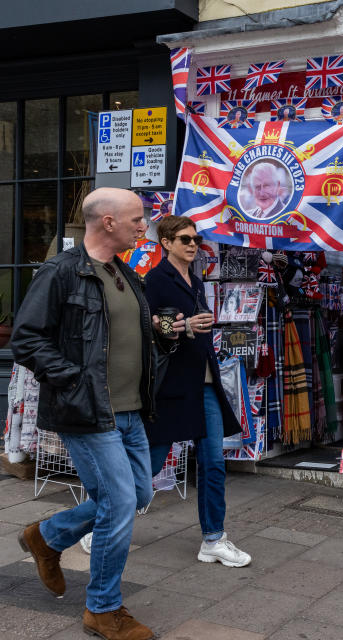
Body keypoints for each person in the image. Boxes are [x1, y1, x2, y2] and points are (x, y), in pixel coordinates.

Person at [10, 187, 184, 640]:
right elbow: (27, 339)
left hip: (131, 411)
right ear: (108, 221)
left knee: (139, 495)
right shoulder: (62, 272)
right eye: (137, 219)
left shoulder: (125, 274)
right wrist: (74, 380)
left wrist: (164, 337)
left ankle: (47, 536)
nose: (143, 225)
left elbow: (128, 338)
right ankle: (102, 609)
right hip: (89, 411)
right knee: (120, 502)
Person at [142, 216, 250, 568]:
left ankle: (213, 538)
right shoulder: (156, 280)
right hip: (171, 387)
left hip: (204, 383)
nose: (193, 244)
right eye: (185, 239)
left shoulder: (197, 280)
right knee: (149, 464)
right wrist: (183, 325)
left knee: (214, 462)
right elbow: (145, 322)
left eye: (196, 239)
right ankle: (97, 524)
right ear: (167, 243)